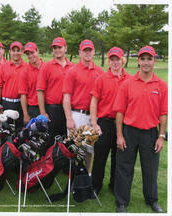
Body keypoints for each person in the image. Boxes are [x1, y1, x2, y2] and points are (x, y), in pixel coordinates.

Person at [113, 45, 167, 213]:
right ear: (138, 61)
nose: (146, 62)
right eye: (142, 59)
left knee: (150, 169)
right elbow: (120, 113)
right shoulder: (128, 84)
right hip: (129, 132)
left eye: (149, 59)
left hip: (150, 134)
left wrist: (161, 136)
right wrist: (120, 135)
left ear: (154, 61)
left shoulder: (162, 85)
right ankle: (121, 202)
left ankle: (152, 200)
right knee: (124, 168)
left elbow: (163, 114)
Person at [90, 47, 131, 196]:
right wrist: (94, 124)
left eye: (118, 59)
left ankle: (114, 185)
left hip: (123, 124)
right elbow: (94, 102)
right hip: (104, 123)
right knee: (100, 156)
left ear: (123, 60)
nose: (115, 62)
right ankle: (95, 185)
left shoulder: (130, 79)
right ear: (109, 60)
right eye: (112, 59)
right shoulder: (101, 78)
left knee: (119, 157)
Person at [62, 39, 104, 173]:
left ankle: (87, 175)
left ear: (94, 52)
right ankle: (74, 175)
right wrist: (69, 118)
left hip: (92, 117)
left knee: (89, 149)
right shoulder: (72, 71)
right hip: (77, 115)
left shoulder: (100, 72)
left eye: (89, 50)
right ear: (80, 52)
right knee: (75, 147)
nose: (87, 53)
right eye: (84, 50)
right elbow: (66, 96)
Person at [37, 37, 73, 145]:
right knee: (51, 141)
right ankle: (48, 162)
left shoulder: (72, 67)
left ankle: (63, 162)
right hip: (52, 110)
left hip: (69, 110)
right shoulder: (46, 67)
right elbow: (40, 90)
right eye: (54, 48)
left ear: (65, 48)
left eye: (59, 47)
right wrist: (43, 112)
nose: (57, 50)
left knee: (67, 141)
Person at [0, 41, 26, 131]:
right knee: (5, 129)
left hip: (21, 104)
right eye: (14, 50)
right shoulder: (3, 67)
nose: (16, 53)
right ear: (10, 51)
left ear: (22, 51)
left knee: (19, 129)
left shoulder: (26, 67)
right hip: (6, 103)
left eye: (18, 50)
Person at [19, 42, 44, 125]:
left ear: (37, 51)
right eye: (28, 54)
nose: (30, 56)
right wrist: (25, 114)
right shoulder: (24, 71)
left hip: (47, 106)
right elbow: (23, 95)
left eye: (32, 52)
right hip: (33, 108)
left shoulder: (47, 67)